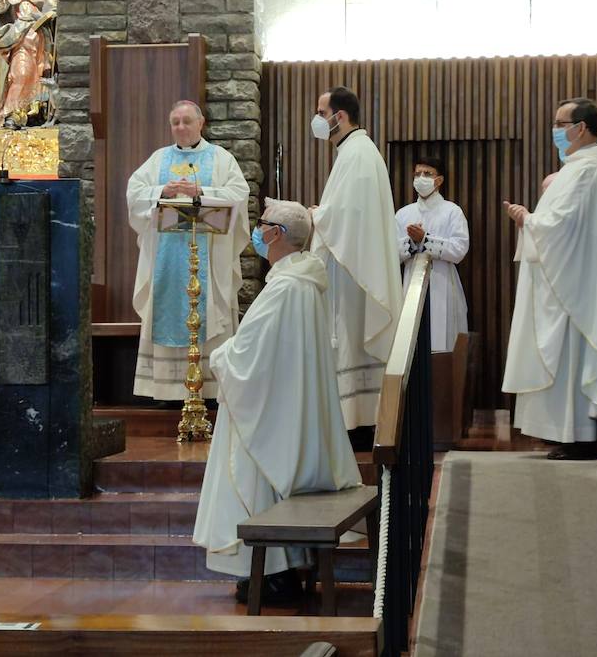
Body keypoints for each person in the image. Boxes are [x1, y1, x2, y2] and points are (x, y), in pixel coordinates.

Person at [193, 199, 363, 603]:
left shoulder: (286, 286)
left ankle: (270, 574)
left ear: (277, 235)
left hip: (269, 407)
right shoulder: (306, 280)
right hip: (285, 402)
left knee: (256, 478)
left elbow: (248, 353)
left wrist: (218, 356)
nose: (258, 230)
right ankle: (273, 571)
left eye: (263, 224)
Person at [501, 97, 597, 459]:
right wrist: (533, 220)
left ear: (581, 128)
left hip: (573, 284)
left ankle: (580, 438)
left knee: (572, 357)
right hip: (565, 278)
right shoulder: (579, 168)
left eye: (560, 124)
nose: (555, 131)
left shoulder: (586, 171)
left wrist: (527, 219)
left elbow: (562, 226)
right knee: (565, 359)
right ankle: (568, 436)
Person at [127, 100, 249, 404]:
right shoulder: (158, 160)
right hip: (167, 261)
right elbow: (134, 194)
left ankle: (209, 391)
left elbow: (239, 194)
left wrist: (202, 192)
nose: (180, 127)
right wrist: (161, 192)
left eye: (186, 121)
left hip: (209, 256)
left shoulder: (221, 159)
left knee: (211, 312)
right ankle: (170, 393)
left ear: (201, 123)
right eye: (175, 122)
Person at [308, 87, 403, 434]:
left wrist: (319, 216)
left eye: (321, 112)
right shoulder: (354, 151)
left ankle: (359, 424)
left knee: (352, 341)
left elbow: (349, 215)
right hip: (352, 266)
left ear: (340, 116)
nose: (317, 120)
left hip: (354, 274)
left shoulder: (359, 154)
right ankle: (355, 421)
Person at [395, 157, 470, 353]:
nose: (421, 178)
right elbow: (392, 253)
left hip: (442, 284)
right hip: (411, 283)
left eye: (427, 174)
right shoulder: (403, 214)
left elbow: (459, 249)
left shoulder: (452, 211)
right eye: (417, 174)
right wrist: (412, 243)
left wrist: (426, 240)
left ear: (439, 180)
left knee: (441, 344)